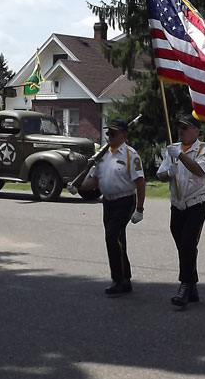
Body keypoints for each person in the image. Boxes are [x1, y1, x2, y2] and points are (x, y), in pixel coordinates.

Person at [77, 118, 146, 296]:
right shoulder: (103, 155)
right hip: (108, 202)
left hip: (125, 200)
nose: (110, 136)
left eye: (113, 133)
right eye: (108, 133)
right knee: (117, 239)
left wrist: (139, 208)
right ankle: (124, 279)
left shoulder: (130, 155)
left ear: (123, 135)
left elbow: (140, 182)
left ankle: (120, 279)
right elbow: (95, 181)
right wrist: (78, 186)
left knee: (112, 237)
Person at [156, 114, 205, 308]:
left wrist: (181, 156)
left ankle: (184, 286)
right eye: (179, 127)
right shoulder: (173, 149)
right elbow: (160, 175)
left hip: (196, 202)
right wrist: (169, 172)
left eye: (185, 128)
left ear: (196, 131)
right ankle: (192, 285)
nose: (181, 131)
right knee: (182, 243)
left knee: (188, 243)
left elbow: (200, 171)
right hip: (177, 204)